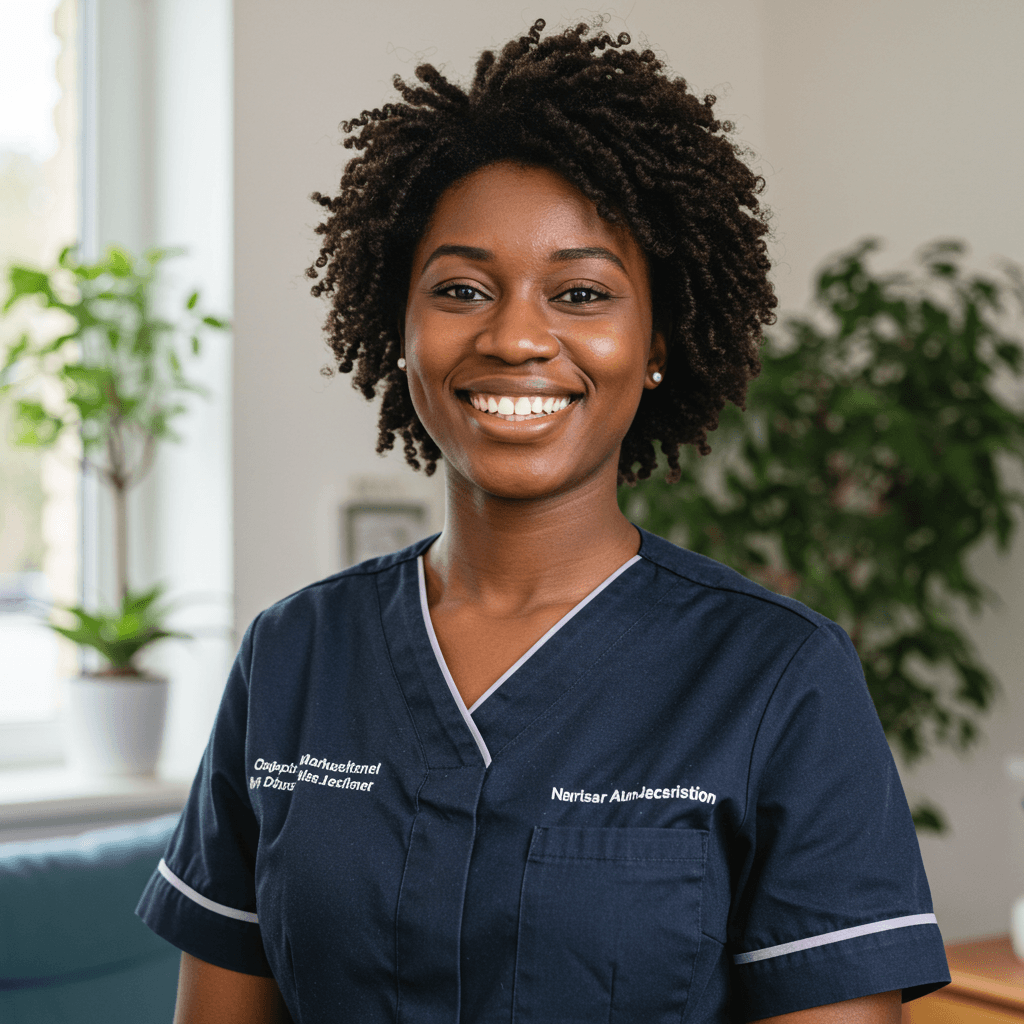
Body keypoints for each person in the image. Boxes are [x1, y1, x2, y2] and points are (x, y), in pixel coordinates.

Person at [137, 19, 950, 1023]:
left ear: (656, 342)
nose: (517, 334)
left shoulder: (779, 678)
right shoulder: (292, 658)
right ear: (400, 329)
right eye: (461, 289)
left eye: (580, 292)